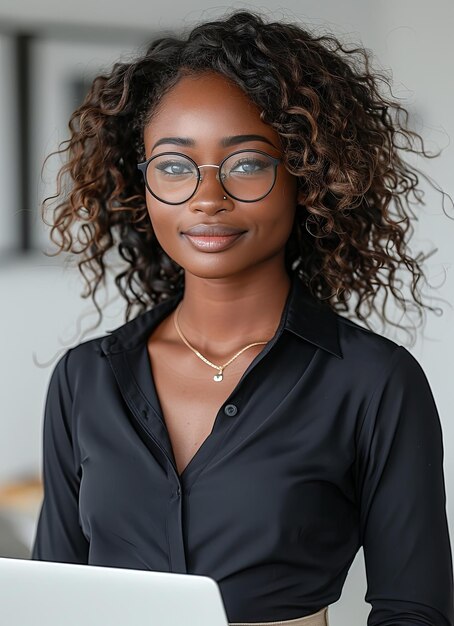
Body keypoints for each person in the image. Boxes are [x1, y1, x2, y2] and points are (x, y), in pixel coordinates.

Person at [31, 10, 453, 626]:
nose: (207, 197)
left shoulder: (373, 382)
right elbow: (50, 599)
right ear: (141, 184)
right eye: (174, 165)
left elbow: (414, 610)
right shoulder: (84, 379)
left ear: (305, 178)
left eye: (247, 163)